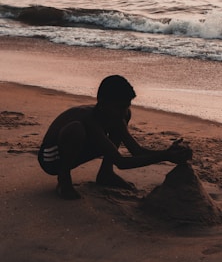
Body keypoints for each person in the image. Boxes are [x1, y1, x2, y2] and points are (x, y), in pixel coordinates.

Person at [38, 75, 192, 200]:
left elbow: (136, 151)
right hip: (52, 158)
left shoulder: (118, 115)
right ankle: (63, 179)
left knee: (120, 121)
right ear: (102, 103)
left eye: (127, 105)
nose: (123, 111)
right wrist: (165, 156)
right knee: (75, 130)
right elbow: (122, 162)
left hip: (82, 146)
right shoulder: (88, 119)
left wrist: (168, 151)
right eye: (120, 107)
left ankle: (106, 173)